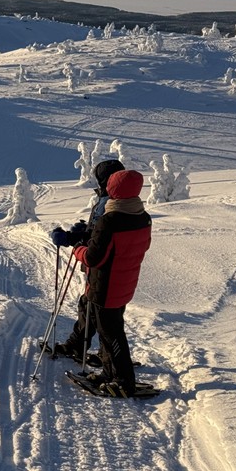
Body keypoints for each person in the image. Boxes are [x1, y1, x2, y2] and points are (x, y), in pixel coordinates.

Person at [68, 168, 151, 396]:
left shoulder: (110, 220)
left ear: (112, 189)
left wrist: (77, 249)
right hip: (125, 282)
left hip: (105, 287)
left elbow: (94, 257)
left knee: (111, 334)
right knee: (111, 330)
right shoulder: (142, 216)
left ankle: (123, 381)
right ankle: (110, 373)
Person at [49, 158, 125, 360]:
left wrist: (75, 240)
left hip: (101, 267)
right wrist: (84, 233)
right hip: (116, 267)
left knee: (96, 309)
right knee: (96, 308)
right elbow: (101, 234)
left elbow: (101, 239)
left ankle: (107, 358)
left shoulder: (107, 203)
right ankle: (90, 348)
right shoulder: (124, 201)